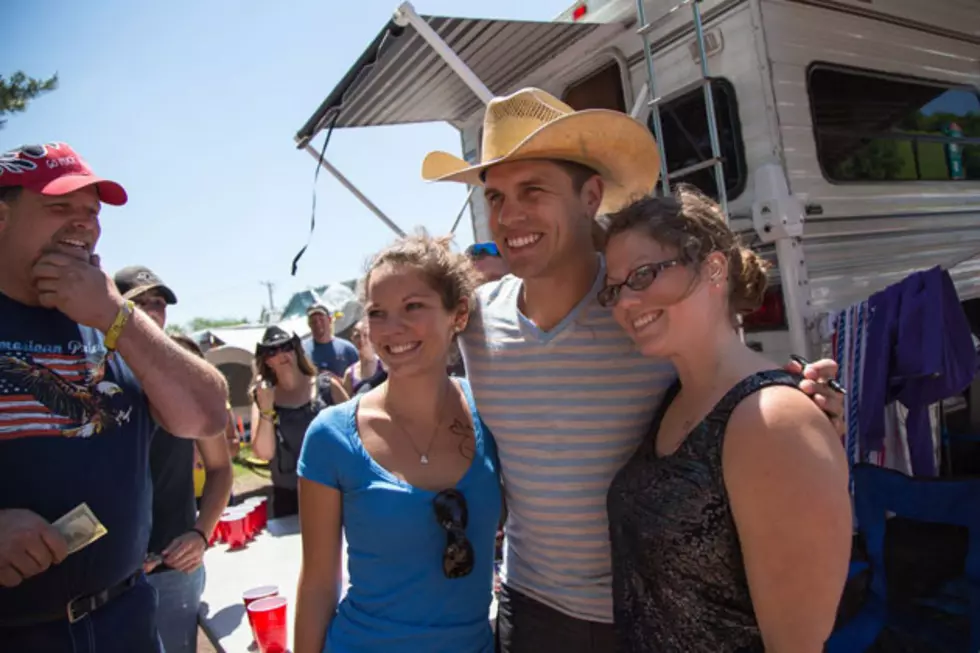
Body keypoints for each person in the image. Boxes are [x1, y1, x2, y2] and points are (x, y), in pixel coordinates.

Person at [420, 89, 846, 652]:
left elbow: (736, 398)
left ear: (590, 194)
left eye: (533, 190)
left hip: (644, 615)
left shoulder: (651, 317)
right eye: (495, 196)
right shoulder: (476, 322)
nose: (508, 215)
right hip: (527, 607)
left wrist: (802, 411)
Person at [0, 142, 229, 652]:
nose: (84, 224)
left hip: (127, 620)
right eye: (59, 207)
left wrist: (116, 316)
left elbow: (208, 418)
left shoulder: (111, 323)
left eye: (92, 212)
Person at [601, 188, 852, 652]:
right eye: (615, 287)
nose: (624, 302)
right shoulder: (676, 398)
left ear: (714, 269)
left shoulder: (772, 421)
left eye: (643, 274)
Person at [295, 233, 500, 653]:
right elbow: (318, 582)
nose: (392, 329)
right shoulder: (331, 436)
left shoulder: (494, 411)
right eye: (377, 313)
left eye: (413, 307)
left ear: (458, 313)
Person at [116, 261, 235, 653]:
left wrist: (202, 533)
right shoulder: (95, 373)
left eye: (159, 303)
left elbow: (220, 467)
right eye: (140, 303)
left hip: (174, 569)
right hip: (106, 578)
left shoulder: (186, 375)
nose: (153, 311)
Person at [250, 326, 349, 517]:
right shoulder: (262, 399)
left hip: (335, 487)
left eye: (287, 346)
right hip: (289, 495)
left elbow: (356, 433)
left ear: (296, 349)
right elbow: (264, 452)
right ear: (267, 361)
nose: (281, 354)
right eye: (272, 350)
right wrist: (267, 409)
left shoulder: (327, 386)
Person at [306, 303, 358, 378]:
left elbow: (358, 380)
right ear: (309, 324)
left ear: (329, 320)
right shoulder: (303, 352)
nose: (318, 323)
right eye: (313, 321)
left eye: (321, 319)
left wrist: (335, 380)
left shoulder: (348, 349)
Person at [341, 320, 387, 396]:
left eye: (365, 335)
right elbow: (348, 404)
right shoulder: (349, 374)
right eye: (357, 336)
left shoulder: (385, 365)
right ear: (352, 339)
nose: (361, 340)